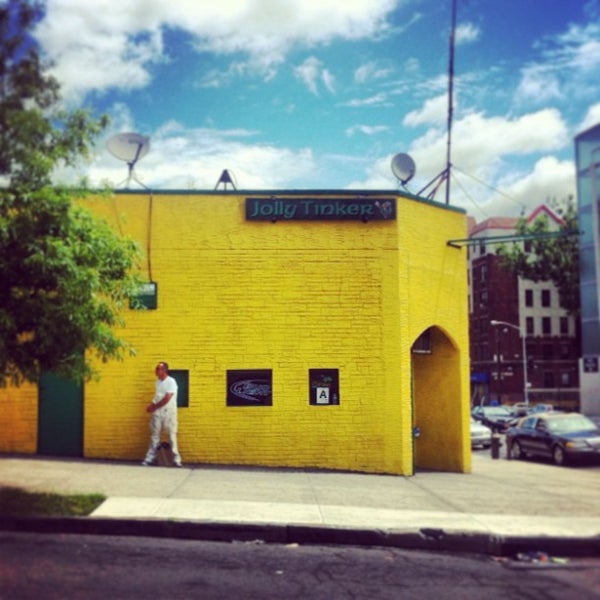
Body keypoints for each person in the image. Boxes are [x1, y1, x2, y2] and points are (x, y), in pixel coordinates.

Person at [142, 361, 182, 467]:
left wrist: (154, 407)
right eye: (156, 369)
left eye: (158, 369)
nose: (156, 371)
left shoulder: (171, 382)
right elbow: (158, 396)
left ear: (164, 370)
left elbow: (167, 398)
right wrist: (151, 405)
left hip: (169, 412)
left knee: (171, 435)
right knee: (154, 435)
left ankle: (176, 459)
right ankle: (150, 458)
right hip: (158, 412)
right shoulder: (158, 382)